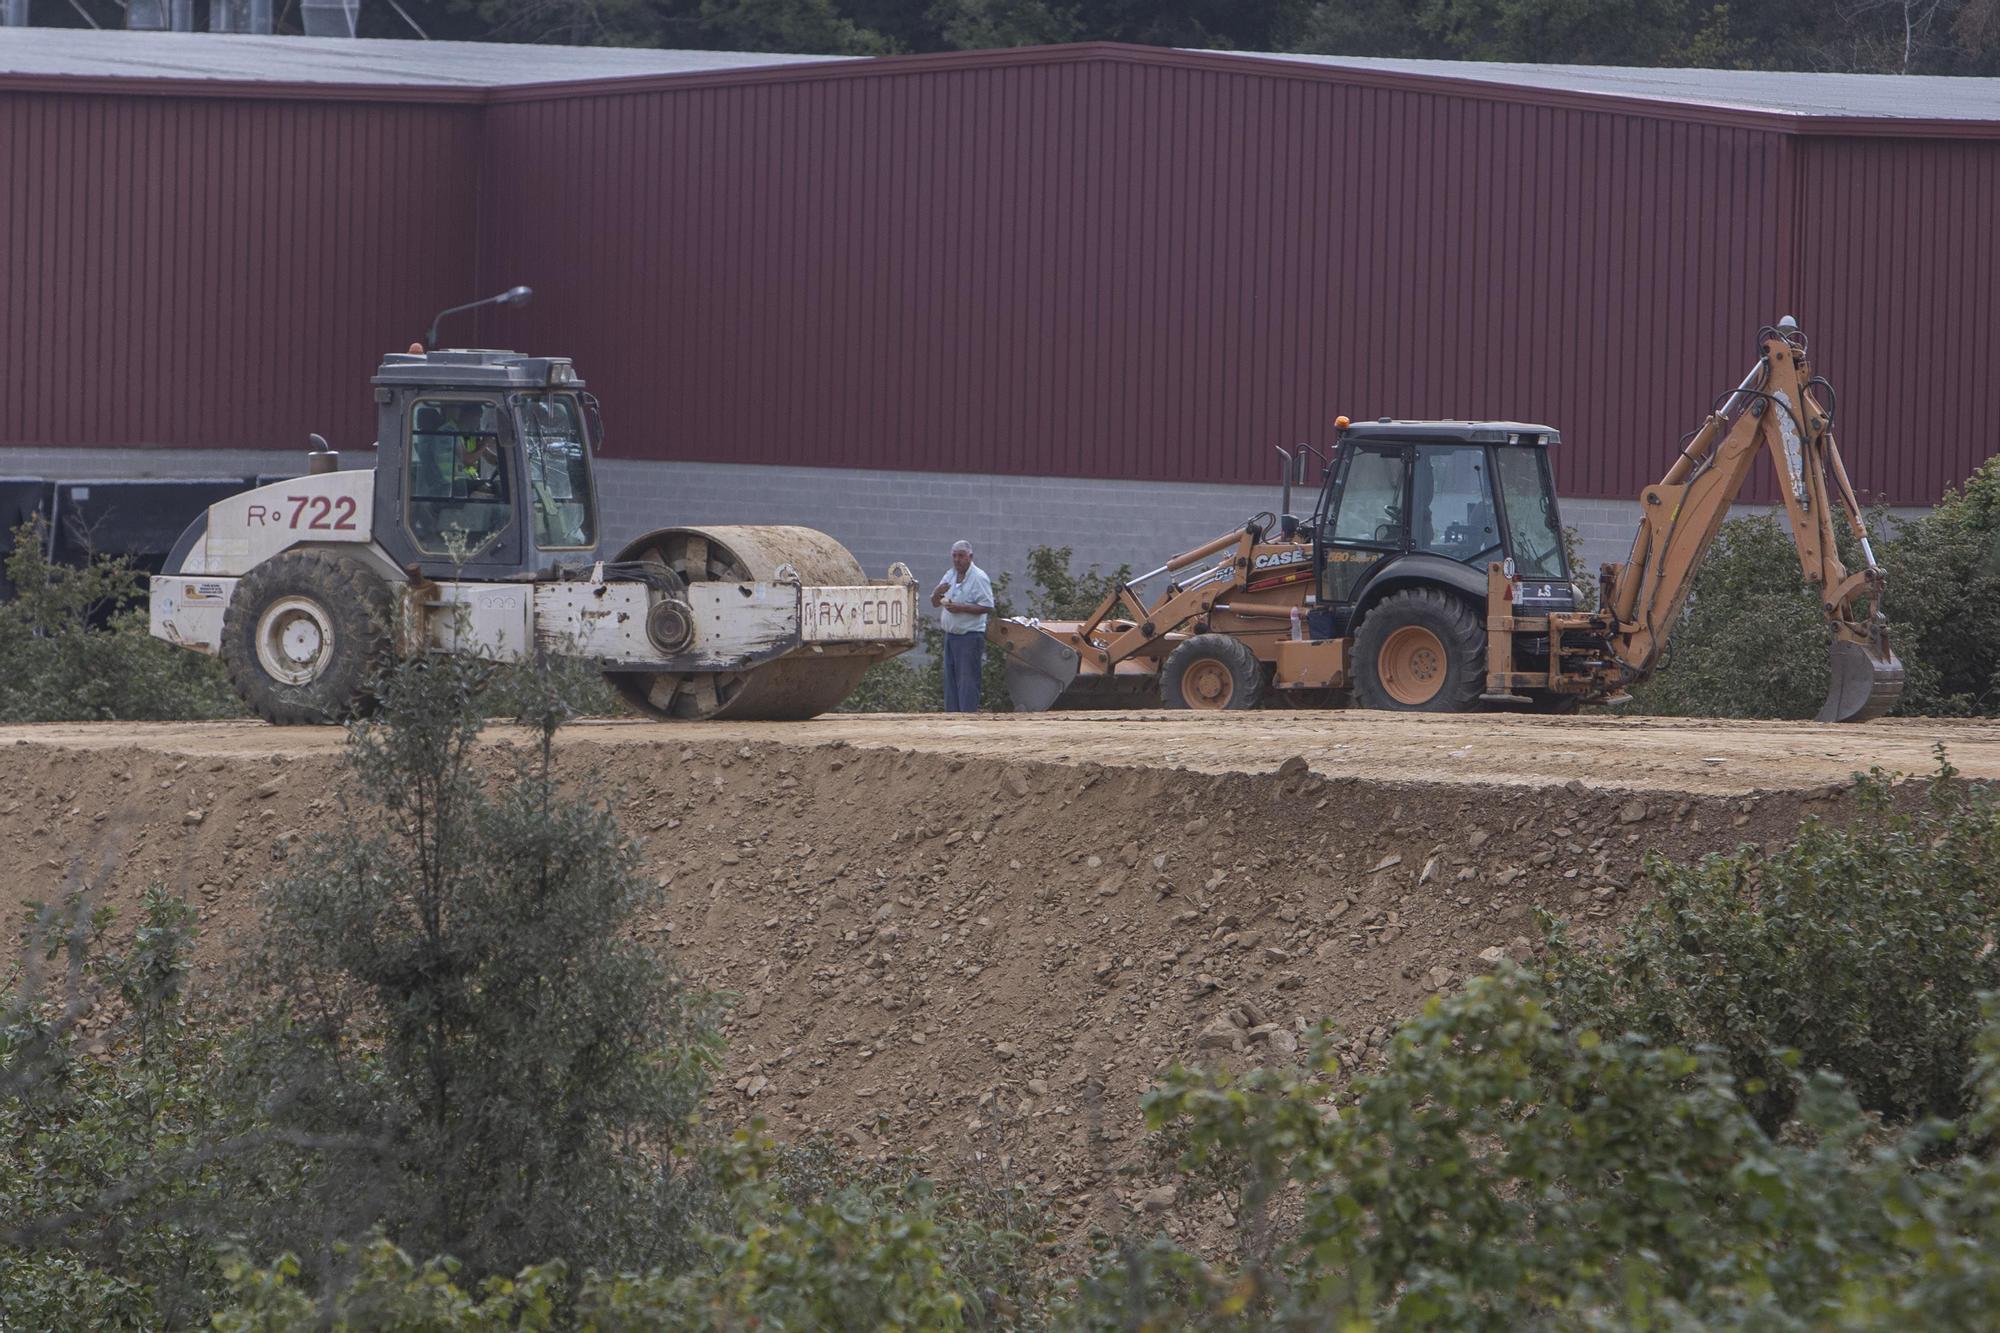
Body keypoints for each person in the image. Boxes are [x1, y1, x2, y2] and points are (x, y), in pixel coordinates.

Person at [932, 540, 993, 713]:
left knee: (967, 680)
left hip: (969, 636)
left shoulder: (979, 577)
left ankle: (968, 715)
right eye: (954, 556)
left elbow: (988, 606)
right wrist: (937, 593)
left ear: (970, 557)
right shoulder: (949, 575)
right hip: (950, 636)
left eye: (961, 556)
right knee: (950, 679)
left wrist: (961, 608)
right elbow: (935, 602)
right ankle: (952, 715)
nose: (957, 560)